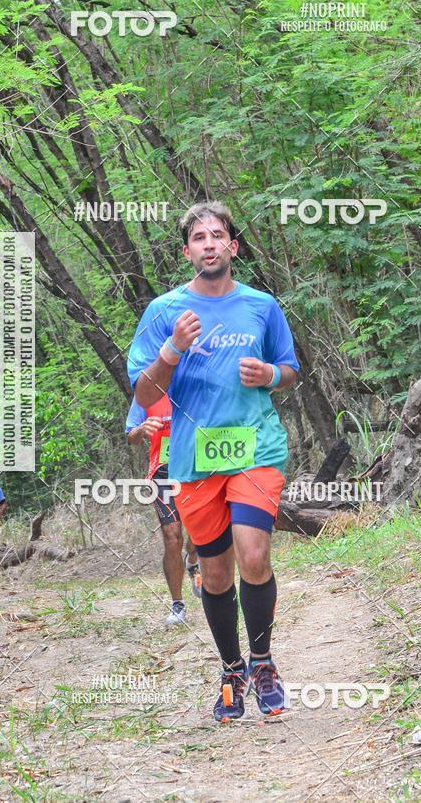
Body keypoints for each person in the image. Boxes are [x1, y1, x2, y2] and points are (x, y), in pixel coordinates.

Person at [127, 202, 299, 722]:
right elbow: (143, 389)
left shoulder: (262, 306)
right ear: (187, 252)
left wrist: (268, 374)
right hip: (194, 460)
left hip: (256, 449)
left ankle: (263, 662)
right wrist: (173, 349)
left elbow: (290, 369)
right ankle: (231, 669)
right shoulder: (164, 312)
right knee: (218, 574)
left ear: (233, 247)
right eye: (198, 237)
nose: (208, 243)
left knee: (254, 557)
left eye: (217, 235)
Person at [126, 392, 202, 625]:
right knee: (172, 537)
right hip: (163, 473)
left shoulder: (195, 382)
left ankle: (192, 560)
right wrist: (141, 429)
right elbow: (132, 437)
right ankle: (178, 603)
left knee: (199, 532)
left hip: (197, 467)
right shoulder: (146, 392)